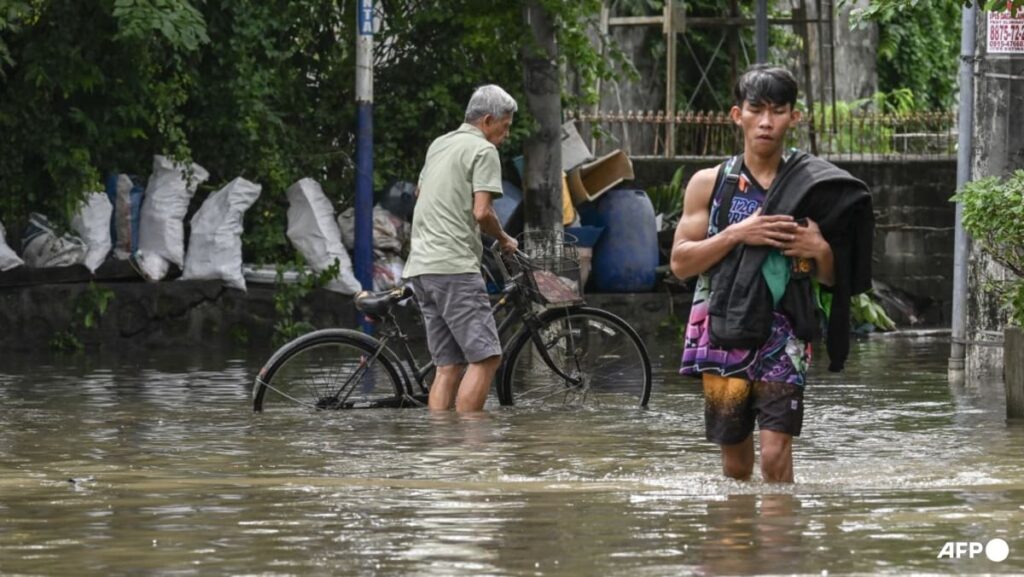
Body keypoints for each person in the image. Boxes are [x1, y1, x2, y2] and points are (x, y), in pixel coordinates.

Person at [670, 65, 873, 482]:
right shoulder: (711, 184)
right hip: (721, 327)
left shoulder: (814, 188)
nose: (766, 122)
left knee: (777, 454)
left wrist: (820, 250)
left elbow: (834, 281)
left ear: (794, 117)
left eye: (778, 111)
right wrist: (737, 234)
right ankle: (741, 541)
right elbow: (681, 263)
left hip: (786, 332)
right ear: (736, 115)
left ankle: (781, 546)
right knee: (735, 463)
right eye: (756, 110)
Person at [402, 84, 519, 413]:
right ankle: (470, 452)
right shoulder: (484, 151)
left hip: (422, 267)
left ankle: (443, 452)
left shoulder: (440, 144)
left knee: (448, 366)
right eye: (504, 126)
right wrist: (505, 240)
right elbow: (482, 212)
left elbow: (421, 193)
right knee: (486, 358)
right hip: (453, 267)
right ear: (486, 121)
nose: (505, 135)